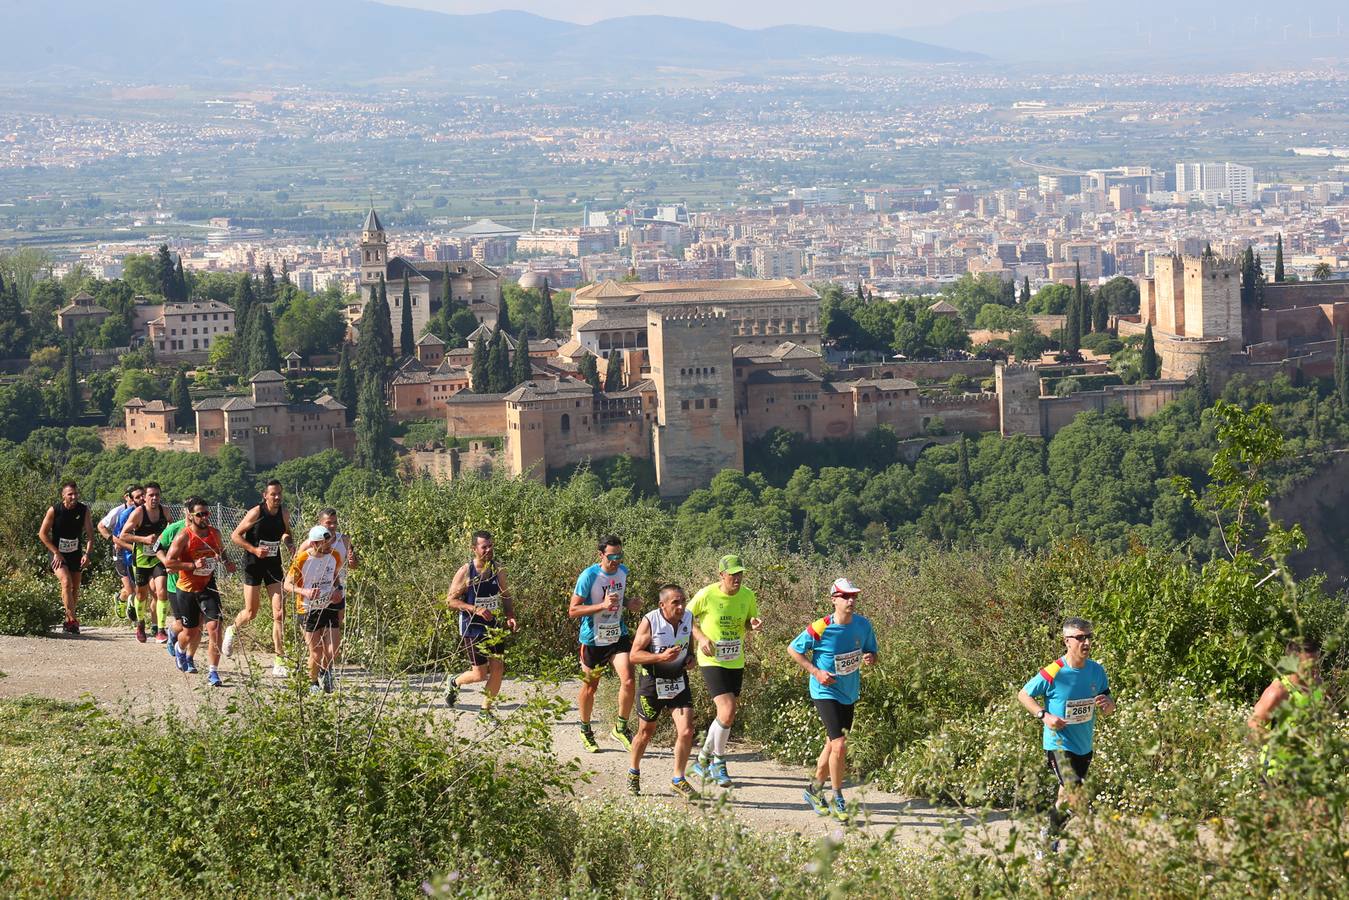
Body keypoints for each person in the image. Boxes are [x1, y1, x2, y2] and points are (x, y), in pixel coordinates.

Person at [1016, 617, 1115, 849]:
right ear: (1067, 641)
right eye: (1080, 638)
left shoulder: (1096, 670)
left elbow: (1108, 703)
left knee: (1064, 799)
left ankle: (1047, 838)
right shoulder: (1055, 670)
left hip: (1084, 745)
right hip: (1059, 744)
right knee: (1075, 796)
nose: (1086, 642)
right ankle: (1055, 842)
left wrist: (1109, 705)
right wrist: (1044, 715)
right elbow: (1024, 694)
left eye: (1089, 637)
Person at [789, 578, 879, 824]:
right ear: (833, 600)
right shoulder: (821, 626)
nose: (851, 600)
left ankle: (814, 790)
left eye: (853, 596)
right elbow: (793, 649)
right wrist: (816, 672)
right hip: (824, 691)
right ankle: (838, 797)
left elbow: (872, 651)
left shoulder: (863, 625)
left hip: (849, 692)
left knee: (832, 745)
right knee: (839, 745)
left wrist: (871, 657)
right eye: (845, 596)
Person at [687, 554, 762, 789]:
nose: (737, 579)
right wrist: (701, 638)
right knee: (728, 710)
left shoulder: (748, 595)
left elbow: (748, 621)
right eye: (732, 575)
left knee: (726, 715)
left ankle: (702, 760)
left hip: (735, 659)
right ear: (721, 575)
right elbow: (685, 618)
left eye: (740, 574)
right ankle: (718, 762)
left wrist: (753, 624)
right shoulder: (707, 594)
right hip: (711, 659)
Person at [569, 534, 642, 753]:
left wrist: (629, 603)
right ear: (601, 554)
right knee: (590, 687)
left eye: (620, 555)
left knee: (629, 680)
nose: (616, 560)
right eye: (612, 556)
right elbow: (573, 610)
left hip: (617, 635)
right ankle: (585, 730)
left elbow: (618, 598)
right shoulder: (589, 576)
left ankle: (620, 728)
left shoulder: (623, 571)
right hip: (593, 639)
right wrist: (601, 606)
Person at [627, 583, 699, 801]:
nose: (681, 606)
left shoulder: (688, 618)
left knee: (686, 731)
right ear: (662, 605)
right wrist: (660, 657)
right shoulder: (650, 621)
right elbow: (634, 656)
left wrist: (691, 659)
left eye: (683, 601)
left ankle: (678, 778)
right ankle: (633, 772)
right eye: (675, 602)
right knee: (646, 732)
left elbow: (689, 646)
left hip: (678, 681)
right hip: (652, 683)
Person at [443, 531, 517, 720]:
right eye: (484, 547)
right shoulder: (466, 571)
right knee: (479, 674)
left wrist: (510, 615)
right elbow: (450, 601)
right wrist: (475, 609)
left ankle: (485, 711)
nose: (488, 550)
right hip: (472, 627)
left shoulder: (497, 569)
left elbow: (506, 595)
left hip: (493, 626)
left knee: (498, 669)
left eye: (491, 546)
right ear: (474, 549)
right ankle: (454, 682)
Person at [224, 480, 295, 675]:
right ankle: (232, 629)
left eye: (279, 493)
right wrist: (254, 549)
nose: (277, 497)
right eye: (273, 494)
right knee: (251, 612)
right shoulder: (256, 512)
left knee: (279, 613)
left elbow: (286, 533)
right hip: (253, 565)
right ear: (265, 495)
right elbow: (235, 536)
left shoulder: (284, 513)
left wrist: (290, 545)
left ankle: (279, 661)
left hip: (273, 565)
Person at [164, 498, 236, 686]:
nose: (204, 517)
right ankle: (180, 649)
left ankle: (213, 672)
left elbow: (221, 550)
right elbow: (169, 562)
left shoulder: (214, 533)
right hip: (186, 589)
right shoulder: (184, 536)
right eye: (200, 514)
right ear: (190, 515)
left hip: (208, 586)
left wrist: (226, 562)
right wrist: (192, 565)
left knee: (215, 629)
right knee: (190, 632)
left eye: (206, 513)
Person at [1248, 637, 1324, 782]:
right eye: (1308, 666)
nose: (1315, 671)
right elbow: (1251, 726)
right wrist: (1284, 744)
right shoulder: (1278, 692)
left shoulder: (1317, 684)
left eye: (1317, 664)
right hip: (1277, 773)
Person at [284, 524, 346, 694]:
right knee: (316, 653)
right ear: (313, 544)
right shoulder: (302, 559)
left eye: (329, 542)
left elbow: (335, 576)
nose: (328, 546)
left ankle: (325, 673)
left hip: (329, 605)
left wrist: (337, 590)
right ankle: (312, 683)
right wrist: (304, 591)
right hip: (308, 609)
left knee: (333, 650)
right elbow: (287, 585)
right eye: (324, 543)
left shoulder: (334, 555)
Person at [118, 482, 171, 644]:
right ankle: (140, 624)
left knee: (162, 591)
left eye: (157, 495)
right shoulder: (139, 513)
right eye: (151, 495)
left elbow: (171, 527)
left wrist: (165, 537)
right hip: (141, 558)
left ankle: (161, 629)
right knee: (141, 594)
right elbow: (123, 535)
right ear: (145, 497)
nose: (154, 498)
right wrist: (144, 539)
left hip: (158, 557)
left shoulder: (165, 511)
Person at [38, 481, 93, 635]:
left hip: (75, 553)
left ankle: (68, 620)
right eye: (70, 494)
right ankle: (72, 621)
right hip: (57, 553)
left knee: (75, 588)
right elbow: (42, 534)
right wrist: (56, 552)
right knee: (66, 582)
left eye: (76, 493)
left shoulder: (83, 510)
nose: (74, 497)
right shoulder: (54, 510)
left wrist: (87, 554)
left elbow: (90, 536)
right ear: (63, 496)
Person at [297, 508, 358, 629]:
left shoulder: (345, 540)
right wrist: (304, 591)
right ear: (320, 523)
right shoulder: (310, 543)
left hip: (337, 591)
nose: (332, 526)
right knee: (316, 631)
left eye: (335, 522)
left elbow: (354, 566)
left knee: (336, 628)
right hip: (314, 596)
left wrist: (352, 561)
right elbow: (297, 569)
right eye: (328, 523)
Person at [155, 504, 194, 663]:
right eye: (190, 510)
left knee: (195, 625)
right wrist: (166, 562)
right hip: (175, 584)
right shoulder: (174, 529)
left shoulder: (204, 530)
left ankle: (189, 657)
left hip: (196, 583)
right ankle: (172, 633)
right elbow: (156, 546)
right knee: (181, 623)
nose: (193, 514)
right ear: (185, 511)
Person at [97, 485, 140, 618]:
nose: (136, 499)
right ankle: (130, 610)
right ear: (126, 497)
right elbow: (101, 526)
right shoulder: (119, 511)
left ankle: (121, 598)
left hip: (134, 551)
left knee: (136, 587)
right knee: (130, 588)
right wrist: (114, 540)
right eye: (133, 496)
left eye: (140, 496)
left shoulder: (142, 510)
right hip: (120, 551)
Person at [108, 485, 144, 625]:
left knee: (139, 588)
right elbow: (117, 538)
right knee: (131, 589)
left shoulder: (151, 513)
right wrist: (132, 548)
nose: (141, 499)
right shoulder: (123, 513)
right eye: (137, 497)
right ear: (131, 499)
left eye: (142, 495)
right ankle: (133, 614)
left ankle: (124, 601)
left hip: (140, 555)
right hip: (123, 555)